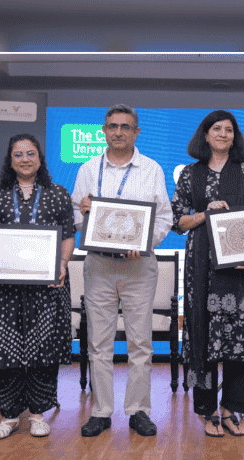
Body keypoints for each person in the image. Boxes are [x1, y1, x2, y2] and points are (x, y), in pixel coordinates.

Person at [71, 104, 174, 437]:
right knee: (98, 343)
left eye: (125, 127)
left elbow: (164, 218)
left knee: (140, 343)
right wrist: (84, 214)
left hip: (138, 266)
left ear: (136, 132)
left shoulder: (151, 169)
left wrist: (144, 243)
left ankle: (138, 411)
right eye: (112, 126)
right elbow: (75, 212)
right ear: (103, 130)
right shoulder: (88, 168)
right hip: (98, 264)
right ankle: (101, 411)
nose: (118, 132)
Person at [171, 110, 244, 437]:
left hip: (241, 271)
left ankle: (231, 409)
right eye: (217, 128)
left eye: (229, 130)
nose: (223, 134)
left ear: (234, 136)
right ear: (206, 134)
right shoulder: (189, 174)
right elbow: (178, 222)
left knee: (237, 340)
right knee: (202, 338)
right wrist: (204, 213)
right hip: (201, 269)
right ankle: (206, 408)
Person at [0, 134, 75, 440]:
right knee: (4, 351)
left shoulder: (58, 194)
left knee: (43, 350)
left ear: (40, 159)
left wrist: (62, 262)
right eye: (18, 154)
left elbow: (69, 236)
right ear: (10, 160)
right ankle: (8, 416)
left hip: (46, 288)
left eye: (31, 153)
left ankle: (37, 414)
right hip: (3, 289)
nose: (25, 159)